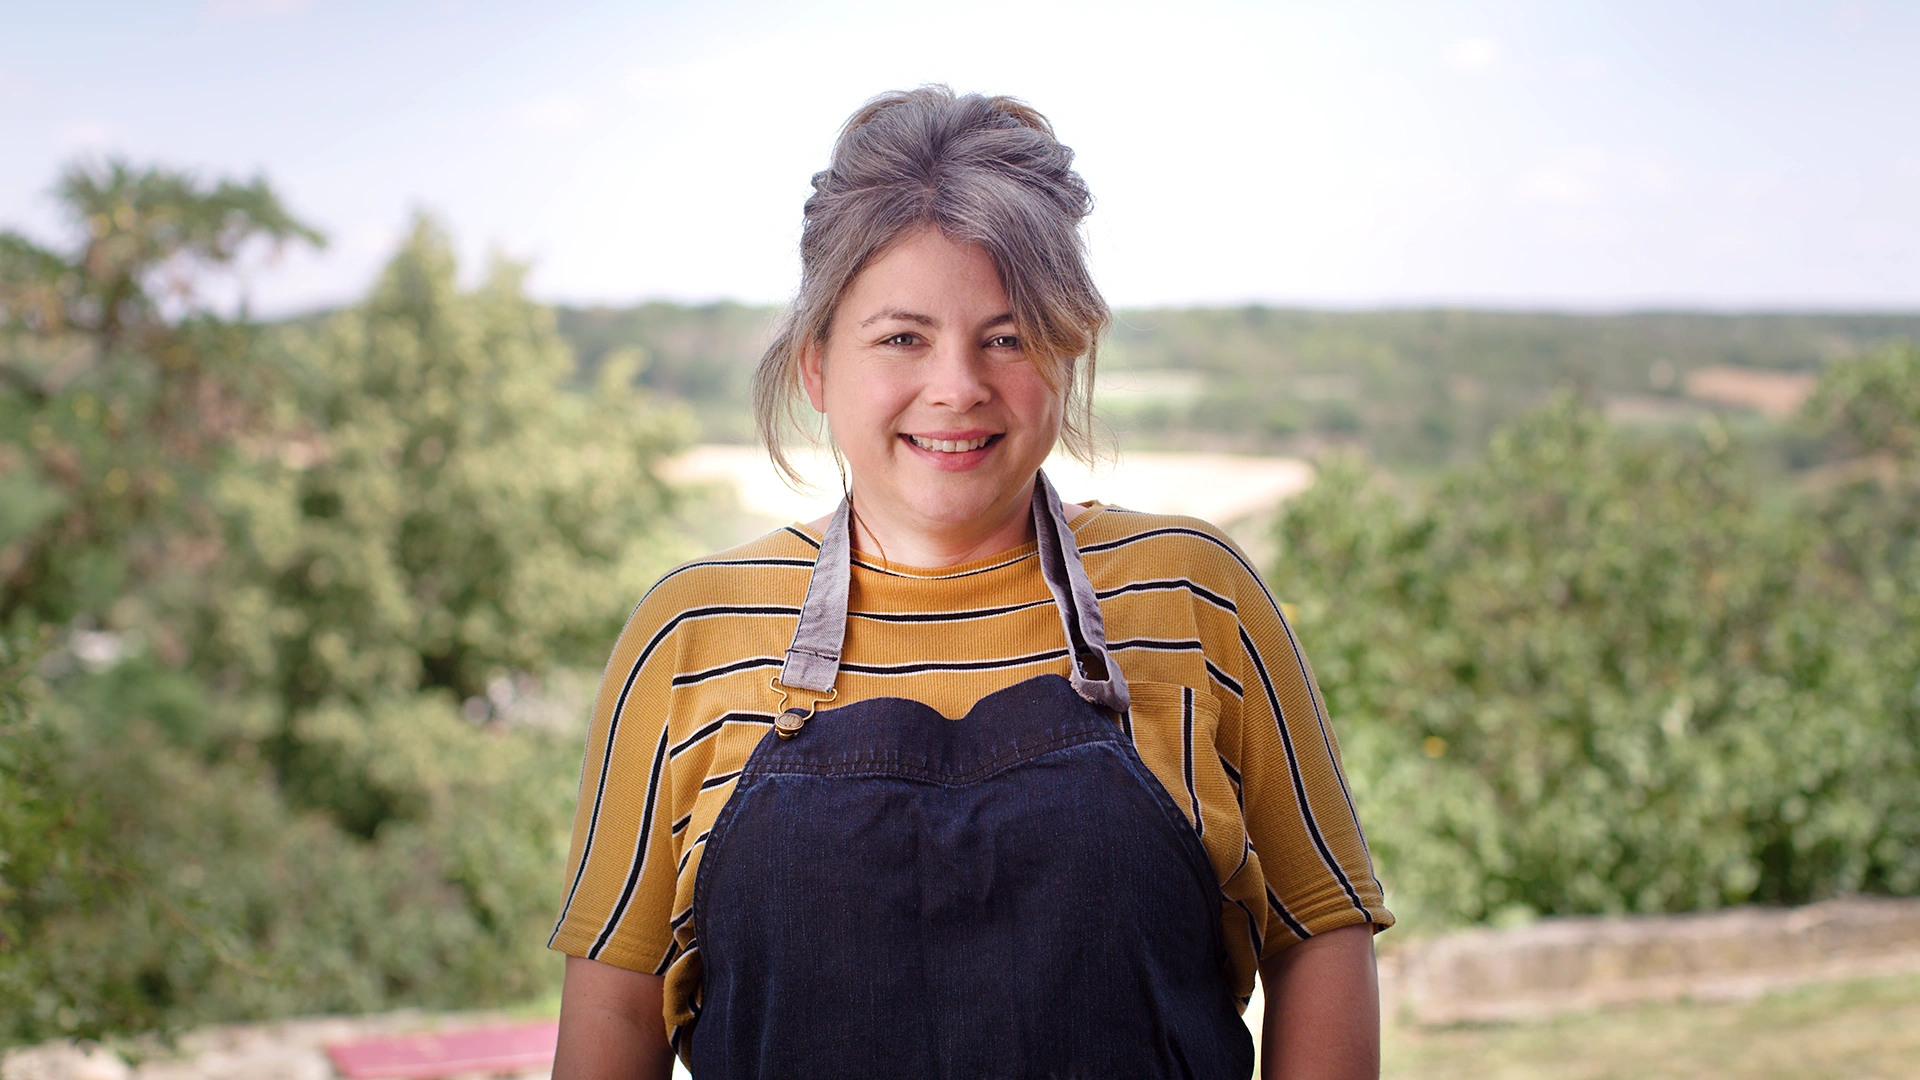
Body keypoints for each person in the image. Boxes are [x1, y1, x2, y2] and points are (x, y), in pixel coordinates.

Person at [549, 86, 1391, 1080]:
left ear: (1066, 353)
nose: (957, 385)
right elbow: (611, 1027)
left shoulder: (1195, 594)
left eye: (1008, 335)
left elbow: (1322, 935)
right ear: (818, 365)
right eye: (902, 338)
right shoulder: (691, 633)